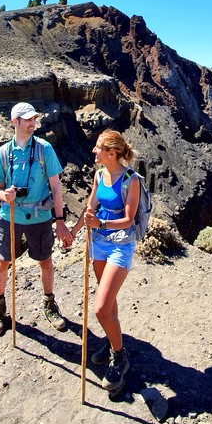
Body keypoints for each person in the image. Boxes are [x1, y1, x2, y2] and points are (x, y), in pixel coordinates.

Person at [0, 102, 73, 338]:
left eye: (34, 118)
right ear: (15, 121)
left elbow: (56, 187)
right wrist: (3, 195)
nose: (33, 123)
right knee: (2, 263)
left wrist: (59, 220)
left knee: (45, 261)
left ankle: (49, 303)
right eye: (28, 119)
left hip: (40, 217)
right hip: (10, 216)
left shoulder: (45, 149)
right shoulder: (3, 153)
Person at [71, 130, 140, 392]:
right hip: (98, 243)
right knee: (109, 303)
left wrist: (102, 223)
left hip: (120, 245)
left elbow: (128, 219)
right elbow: (89, 208)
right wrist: (74, 233)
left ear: (111, 153)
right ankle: (113, 342)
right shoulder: (99, 175)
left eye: (98, 148)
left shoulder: (130, 180)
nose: (94, 152)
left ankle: (120, 357)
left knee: (100, 308)